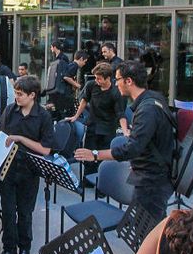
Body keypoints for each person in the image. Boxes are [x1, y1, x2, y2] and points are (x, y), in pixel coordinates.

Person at [74, 61, 174, 220]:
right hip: (151, 174)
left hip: (152, 181)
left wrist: (94, 154)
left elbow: (131, 149)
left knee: (148, 231)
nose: (115, 83)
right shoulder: (154, 98)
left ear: (129, 81)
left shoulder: (147, 110)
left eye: (118, 79)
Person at [0, 75, 55, 254]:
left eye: (20, 95)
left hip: (29, 171)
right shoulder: (10, 110)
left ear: (32, 95)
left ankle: (25, 250)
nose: (16, 98)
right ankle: (9, 249)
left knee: (25, 213)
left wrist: (20, 138)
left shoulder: (44, 116)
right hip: (8, 169)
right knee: (8, 211)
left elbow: (45, 150)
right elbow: (2, 138)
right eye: (16, 94)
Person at [66, 62, 127, 178]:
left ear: (108, 78)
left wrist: (125, 131)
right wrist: (76, 116)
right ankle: (87, 181)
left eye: (99, 78)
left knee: (103, 158)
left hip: (108, 128)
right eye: (95, 78)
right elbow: (84, 101)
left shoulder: (115, 92)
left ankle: (102, 183)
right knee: (88, 155)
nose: (97, 80)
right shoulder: (91, 85)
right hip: (93, 125)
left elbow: (120, 113)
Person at [47, 41, 74, 119]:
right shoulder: (57, 57)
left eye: (51, 47)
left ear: (54, 47)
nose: (51, 49)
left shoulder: (63, 57)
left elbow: (64, 73)